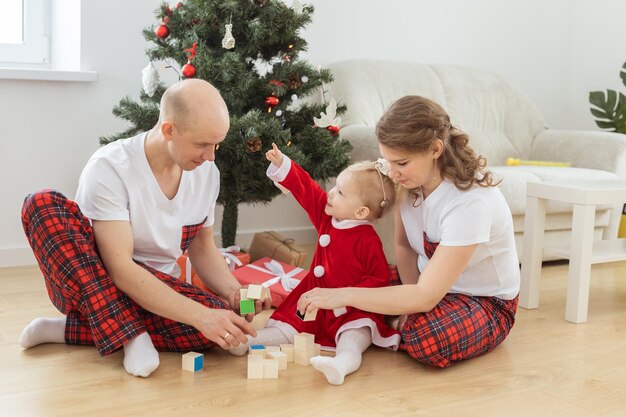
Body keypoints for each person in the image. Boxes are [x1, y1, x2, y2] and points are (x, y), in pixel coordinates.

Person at [19, 79, 270, 377]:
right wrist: (200, 316)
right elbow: (119, 269)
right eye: (203, 144)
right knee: (41, 203)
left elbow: (202, 247)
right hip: (92, 285)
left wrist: (233, 292)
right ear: (169, 130)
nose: (211, 156)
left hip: (159, 289)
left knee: (217, 326)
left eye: (216, 145)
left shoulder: (206, 173)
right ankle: (130, 336)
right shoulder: (110, 167)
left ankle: (65, 331)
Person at [297, 95, 520, 368]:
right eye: (387, 161)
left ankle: (379, 324)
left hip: (483, 302)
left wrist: (346, 296)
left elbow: (426, 296)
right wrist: (408, 298)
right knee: (345, 274)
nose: (393, 173)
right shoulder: (409, 185)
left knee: (425, 338)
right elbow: (403, 248)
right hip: (426, 282)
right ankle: (382, 323)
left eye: (401, 163)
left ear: (435, 149)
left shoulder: (471, 202)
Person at [229, 143, 401, 385]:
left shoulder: (367, 240)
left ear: (361, 212)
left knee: (354, 336)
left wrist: (346, 297)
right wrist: (283, 164)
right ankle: (248, 341)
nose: (331, 192)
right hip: (313, 299)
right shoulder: (326, 216)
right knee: (288, 328)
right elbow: (306, 189)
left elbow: (379, 279)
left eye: (341, 192)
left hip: (351, 308)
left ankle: (341, 365)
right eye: (335, 187)